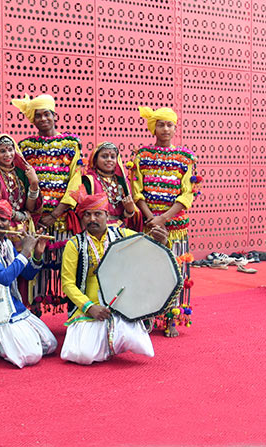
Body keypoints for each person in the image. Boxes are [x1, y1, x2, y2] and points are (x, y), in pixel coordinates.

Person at [59, 188, 167, 365]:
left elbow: (148, 246)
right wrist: (90, 307)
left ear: (107, 215)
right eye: (87, 215)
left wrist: (161, 242)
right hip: (89, 305)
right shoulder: (74, 244)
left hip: (120, 303)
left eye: (97, 214)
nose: (92, 219)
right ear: (81, 218)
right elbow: (68, 284)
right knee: (83, 355)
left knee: (138, 343)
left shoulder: (122, 235)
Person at [11, 94, 82, 315]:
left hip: (62, 219)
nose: (43, 119)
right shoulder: (25, 146)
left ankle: (73, 313)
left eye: (46, 114)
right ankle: (34, 315)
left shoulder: (71, 144)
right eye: (38, 115)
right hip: (35, 220)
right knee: (36, 267)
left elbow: (75, 180)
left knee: (68, 266)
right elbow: (22, 182)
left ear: (55, 116)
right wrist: (32, 213)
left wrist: (57, 213)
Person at [132, 106, 199, 337]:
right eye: (161, 124)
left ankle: (171, 317)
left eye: (170, 124)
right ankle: (148, 316)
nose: (166, 129)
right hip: (148, 225)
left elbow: (187, 193)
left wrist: (163, 218)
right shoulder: (142, 155)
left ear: (175, 127)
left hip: (175, 228)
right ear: (154, 127)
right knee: (148, 271)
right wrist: (151, 218)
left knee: (175, 271)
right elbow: (137, 190)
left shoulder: (186, 158)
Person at [0, 200, 57, 368]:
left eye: (4, 220)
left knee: (49, 344)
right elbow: (4, 278)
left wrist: (37, 253)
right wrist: (25, 251)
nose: (0, 223)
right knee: (30, 356)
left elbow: (27, 274)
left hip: (13, 306)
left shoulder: (6, 243)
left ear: (10, 222)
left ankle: (1, 343)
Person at [78, 141, 141, 230]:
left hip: (120, 229)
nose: (109, 160)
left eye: (113, 157)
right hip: (96, 230)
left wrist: (129, 210)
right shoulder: (89, 181)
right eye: (104, 156)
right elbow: (84, 213)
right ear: (95, 159)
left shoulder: (123, 182)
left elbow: (126, 216)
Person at [0, 134, 41, 230]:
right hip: (1, 227)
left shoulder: (21, 172)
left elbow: (30, 208)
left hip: (24, 229)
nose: (8, 154)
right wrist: (21, 216)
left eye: (10, 150)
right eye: (2, 151)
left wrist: (34, 183)